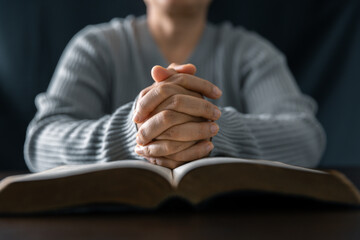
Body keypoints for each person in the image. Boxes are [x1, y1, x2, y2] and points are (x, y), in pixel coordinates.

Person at [24, 0, 326, 172]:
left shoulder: (253, 53)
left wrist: (209, 131)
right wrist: (138, 134)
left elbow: (306, 136)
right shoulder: (94, 47)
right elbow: (41, 141)